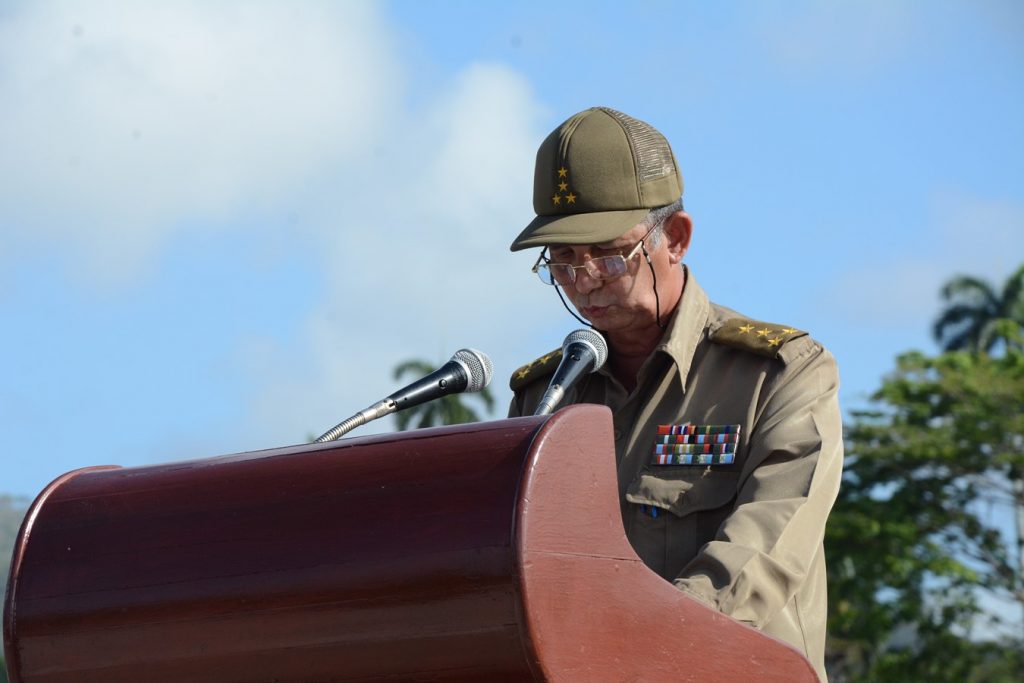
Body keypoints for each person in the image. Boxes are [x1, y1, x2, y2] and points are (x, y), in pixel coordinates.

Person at [507, 107, 843, 681]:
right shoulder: (544, 397)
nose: (584, 280)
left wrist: (648, 646)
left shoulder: (778, 374)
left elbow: (767, 544)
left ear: (677, 239)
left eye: (609, 256)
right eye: (562, 259)